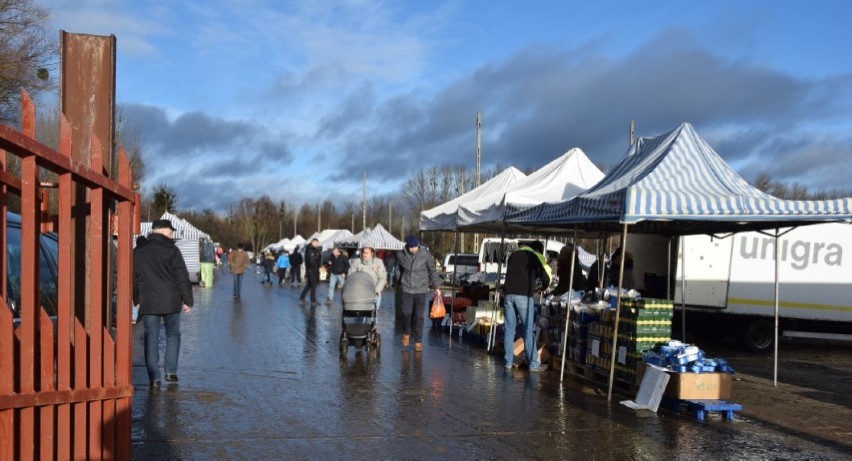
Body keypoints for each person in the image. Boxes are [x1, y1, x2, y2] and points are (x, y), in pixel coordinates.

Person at [133, 219, 194, 388]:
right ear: (160, 230)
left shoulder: (138, 251)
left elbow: (133, 278)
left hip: (149, 301)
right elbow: (182, 276)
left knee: (151, 337)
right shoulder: (172, 250)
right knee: (173, 334)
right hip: (171, 300)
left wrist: (136, 298)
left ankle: (154, 378)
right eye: (170, 231)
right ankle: (170, 371)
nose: (172, 234)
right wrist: (188, 300)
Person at [502, 240, 552, 372]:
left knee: (509, 329)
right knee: (527, 330)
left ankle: (507, 362)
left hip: (508, 295)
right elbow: (546, 278)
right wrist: (542, 287)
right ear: (536, 250)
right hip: (524, 296)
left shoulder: (513, 255)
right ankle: (533, 364)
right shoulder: (533, 257)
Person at [395, 235, 441, 352]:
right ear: (407, 246)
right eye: (411, 247)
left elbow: (432, 271)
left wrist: (436, 286)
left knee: (419, 316)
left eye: (415, 247)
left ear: (418, 245)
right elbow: (398, 269)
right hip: (407, 288)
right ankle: (406, 333)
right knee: (406, 313)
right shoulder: (401, 255)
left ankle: (418, 341)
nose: (413, 249)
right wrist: (399, 280)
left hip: (421, 289)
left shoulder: (425, 255)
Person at [299, 239, 322, 306]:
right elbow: (312, 261)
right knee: (313, 285)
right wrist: (316, 266)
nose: (317, 244)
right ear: (313, 242)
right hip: (312, 269)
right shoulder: (310, 250)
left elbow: (316, 259)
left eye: (317, 243)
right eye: (316, 243)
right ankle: (313, 301)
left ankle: (301, 298)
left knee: (309, 285)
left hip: (312, 269)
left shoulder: (313, 249)